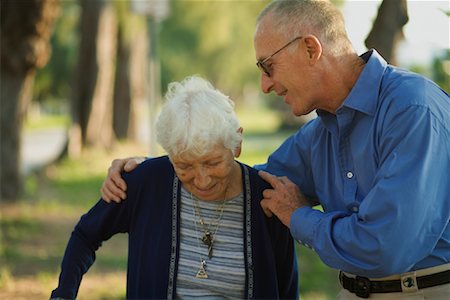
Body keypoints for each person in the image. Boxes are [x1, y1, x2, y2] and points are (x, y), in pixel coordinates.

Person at [101, 0, 450, 299]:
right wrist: (149, 172)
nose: (264, 85)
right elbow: (244, 187)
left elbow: (384, 247)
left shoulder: (412, 110)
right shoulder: (317, 136)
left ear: (311, 49)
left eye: (268, 67)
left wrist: (299, 217)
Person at [50, 76, 298, 299]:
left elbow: (286, 286)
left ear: (237, 144)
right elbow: (86, 235)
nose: (202, 180)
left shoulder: (267, 197)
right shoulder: (145, 182)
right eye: (184, 166)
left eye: (212, 163)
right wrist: (63, 294)